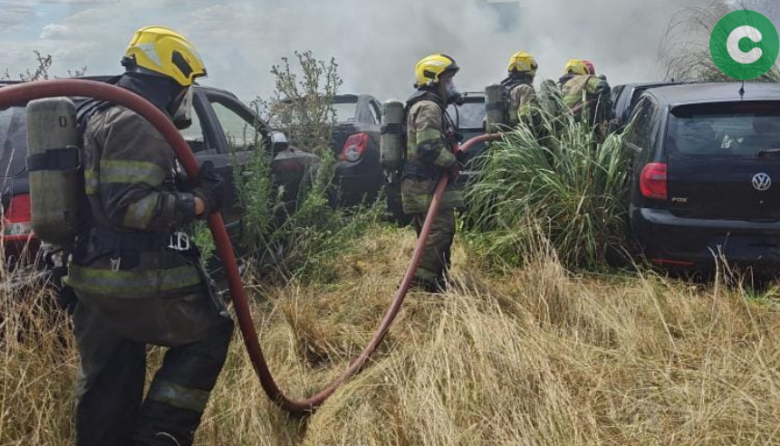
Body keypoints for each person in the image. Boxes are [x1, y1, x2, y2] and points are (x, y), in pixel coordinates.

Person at [65, 26, 234, 446]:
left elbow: (111, 197)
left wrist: (183, 188)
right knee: (211, 332)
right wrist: (199, 203)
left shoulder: (103, 114)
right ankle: (162, 436)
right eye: (186, 87)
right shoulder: (138, 122)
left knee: (110, 388)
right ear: (171, 83)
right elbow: (131, 207)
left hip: (95, 280)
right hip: (132, 279)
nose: (186, 97)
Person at [402, 54, 464, 293]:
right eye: (447, 80)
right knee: (439, 231)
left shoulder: (429, 106)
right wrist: (452, 163)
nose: (451, 86)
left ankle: (437, 282)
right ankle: (419, 285)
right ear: (433, 80)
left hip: (421, 184)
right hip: (424, 184)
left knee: (433, 234)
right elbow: (428, 148)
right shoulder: (428, 107)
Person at [558, 58, 613, 130]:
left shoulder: (561, 87)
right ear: (583, 70)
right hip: (584, 126)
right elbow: (603, 86)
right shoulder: (585, 79)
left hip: (564, 127)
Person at [501, 51, 540, 129]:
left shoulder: (502, 87)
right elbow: (526, 118)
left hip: (503, 133)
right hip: (516, 133)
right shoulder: (525, 88)